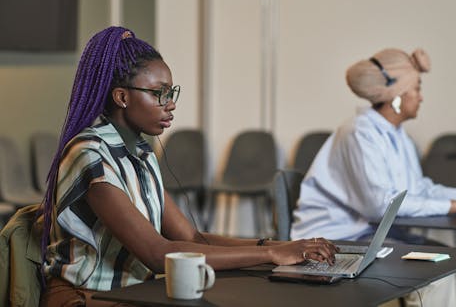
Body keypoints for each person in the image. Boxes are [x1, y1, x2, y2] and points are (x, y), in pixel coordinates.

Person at [39, 26, 337, 306]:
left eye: (171, 92)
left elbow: (190, 238)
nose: (170, 104)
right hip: (86, 297)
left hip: (132, 294)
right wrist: (272, 254)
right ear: (122, 97)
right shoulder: (90, 154)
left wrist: (279, 246)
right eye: (159, 93)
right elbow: (158, 254)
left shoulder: (141, 152)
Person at [290, 48, 456, 306]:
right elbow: (379, 206)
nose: (421, 98)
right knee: (435, 275)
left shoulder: (397, 135)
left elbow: (418, 188)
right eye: (417, 89)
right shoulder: (359, 133)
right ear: (397, 96)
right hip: (336, 241)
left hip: (369, 236)